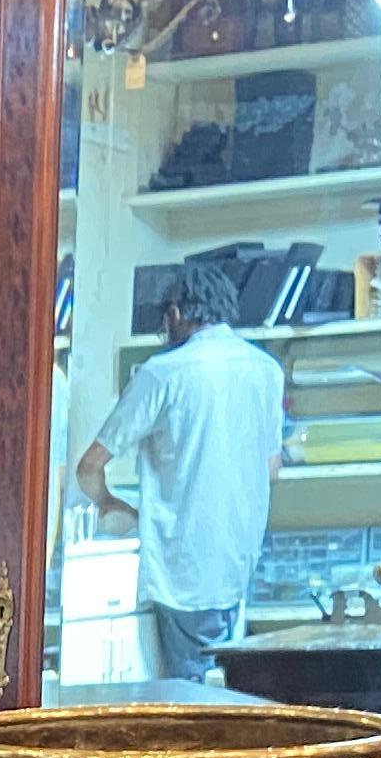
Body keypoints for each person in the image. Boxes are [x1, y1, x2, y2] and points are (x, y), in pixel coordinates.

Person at [74, 257, 288, 684]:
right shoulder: (266, 371)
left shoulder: (162, 373)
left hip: (180, 567)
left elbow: (89, 466)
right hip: (239, 562)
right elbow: (271, 469)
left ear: (175, 313)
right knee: (227, 695)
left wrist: (109, 504)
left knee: (185, 704)